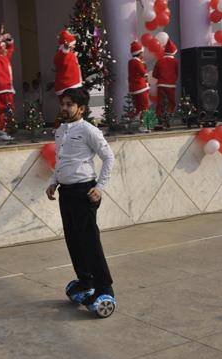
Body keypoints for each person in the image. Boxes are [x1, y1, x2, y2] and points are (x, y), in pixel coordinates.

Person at [45, 87, 116, 317]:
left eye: (69, 105)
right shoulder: (60, 131)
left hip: (85, 192)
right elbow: (61, 160)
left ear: (81, 109)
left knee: (90, 242)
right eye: (63, 104)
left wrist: (100, 187)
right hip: (66, 193)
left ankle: (105, 288)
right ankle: (86, 282)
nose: (64, 108)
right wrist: (54, 181)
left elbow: (109, 157)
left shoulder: (89, 131)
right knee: (73, 240)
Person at [153, 39, 178, 119]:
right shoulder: (175, 61)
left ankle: (159, 118)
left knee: (160, 103)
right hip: (171, 85)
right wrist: (173, 79)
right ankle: (168, 117)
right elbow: (177, 73)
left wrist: (161, 77)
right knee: (171, 102)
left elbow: (154, 74)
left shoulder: (159, 61)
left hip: (161, 85)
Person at [54, 29, 82, 96]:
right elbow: (64, 51)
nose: (74, 46)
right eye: (73, 44)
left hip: (73, 83)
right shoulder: (62, 53)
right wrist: (66, 47)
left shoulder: (69, 54)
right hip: (68, 85)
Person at [128, 40, 150, 119]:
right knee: (144, 106)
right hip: (141, 88)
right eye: (142, 52)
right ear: (139, 53)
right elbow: (144, 73)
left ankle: (130, 120)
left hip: (133, 88)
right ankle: (145, 123)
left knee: (137, 107)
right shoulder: (138, 62)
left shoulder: (130, 62)